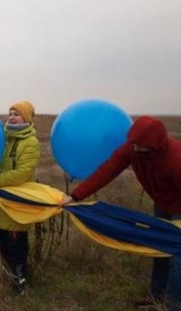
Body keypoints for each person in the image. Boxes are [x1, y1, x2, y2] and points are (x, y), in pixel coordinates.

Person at [61, 115, 181, 310]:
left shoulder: (176, 159)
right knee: (159, 249)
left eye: (139, 146)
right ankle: (155, 296)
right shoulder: (133, 149)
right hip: (161, 205)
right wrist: (75, 196)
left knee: (178, 254)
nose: (133, 148)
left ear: (154, 146)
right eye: (132, 143)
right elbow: (108, 170)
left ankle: (174, 304)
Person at [0, 101, 40, 295]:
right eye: (10, 113)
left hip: (14, 205)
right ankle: (8, 277)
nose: (12, 116)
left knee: (17, 246)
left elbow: (22, 173)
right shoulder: (1, 137)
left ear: (27, 118)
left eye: (17, 114)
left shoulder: (30, 142)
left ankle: (20, 283)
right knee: (2, 244)